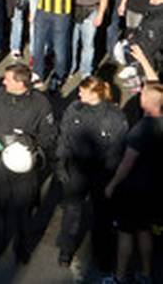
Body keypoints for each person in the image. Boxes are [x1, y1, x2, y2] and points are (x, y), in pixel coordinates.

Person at [0, 63, 57, 263]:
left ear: (20, 83)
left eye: (8, 78)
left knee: (23, 210)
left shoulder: (41, 104)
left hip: (25, 165)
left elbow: (49, 135)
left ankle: (22, 250)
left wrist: (31, 145)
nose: (3, 81)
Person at [55, 76, 127, 270]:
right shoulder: (74, 109)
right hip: (76, 171)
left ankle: (102, 255)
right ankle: (65, 250)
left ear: (94, 93)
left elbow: (117, 150)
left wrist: (111, 178)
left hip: (102, 174)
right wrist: (61, 163)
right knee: (71, 212)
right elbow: (64, 138)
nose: (78, 93)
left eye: (82, 90)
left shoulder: (114, 116)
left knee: (102, 216)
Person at [105, 82, 163, 284]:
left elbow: (127, 163)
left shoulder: (141, 129)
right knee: (144, 230)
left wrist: (112, 185)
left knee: (125, 233)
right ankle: (146, 273)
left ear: (146, 100)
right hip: (154, 187)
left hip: (133, 189)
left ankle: (119, 277)